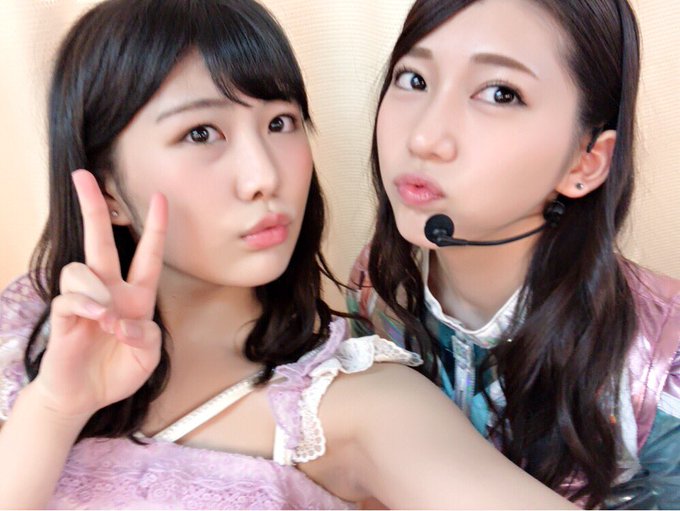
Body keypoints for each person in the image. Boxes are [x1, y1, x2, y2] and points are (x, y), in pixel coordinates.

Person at [0, 0, 576, 509]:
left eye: (280, 122)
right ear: (106, 190)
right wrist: (54, 409)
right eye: (201, 133)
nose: (263, 177)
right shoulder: (30, 327)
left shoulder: (355, 405)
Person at [347, 0, 680, 508]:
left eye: (501, 93)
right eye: (413, 79)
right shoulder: (380, 285)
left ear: (587, 161)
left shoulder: (663, 362)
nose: (424, 138)